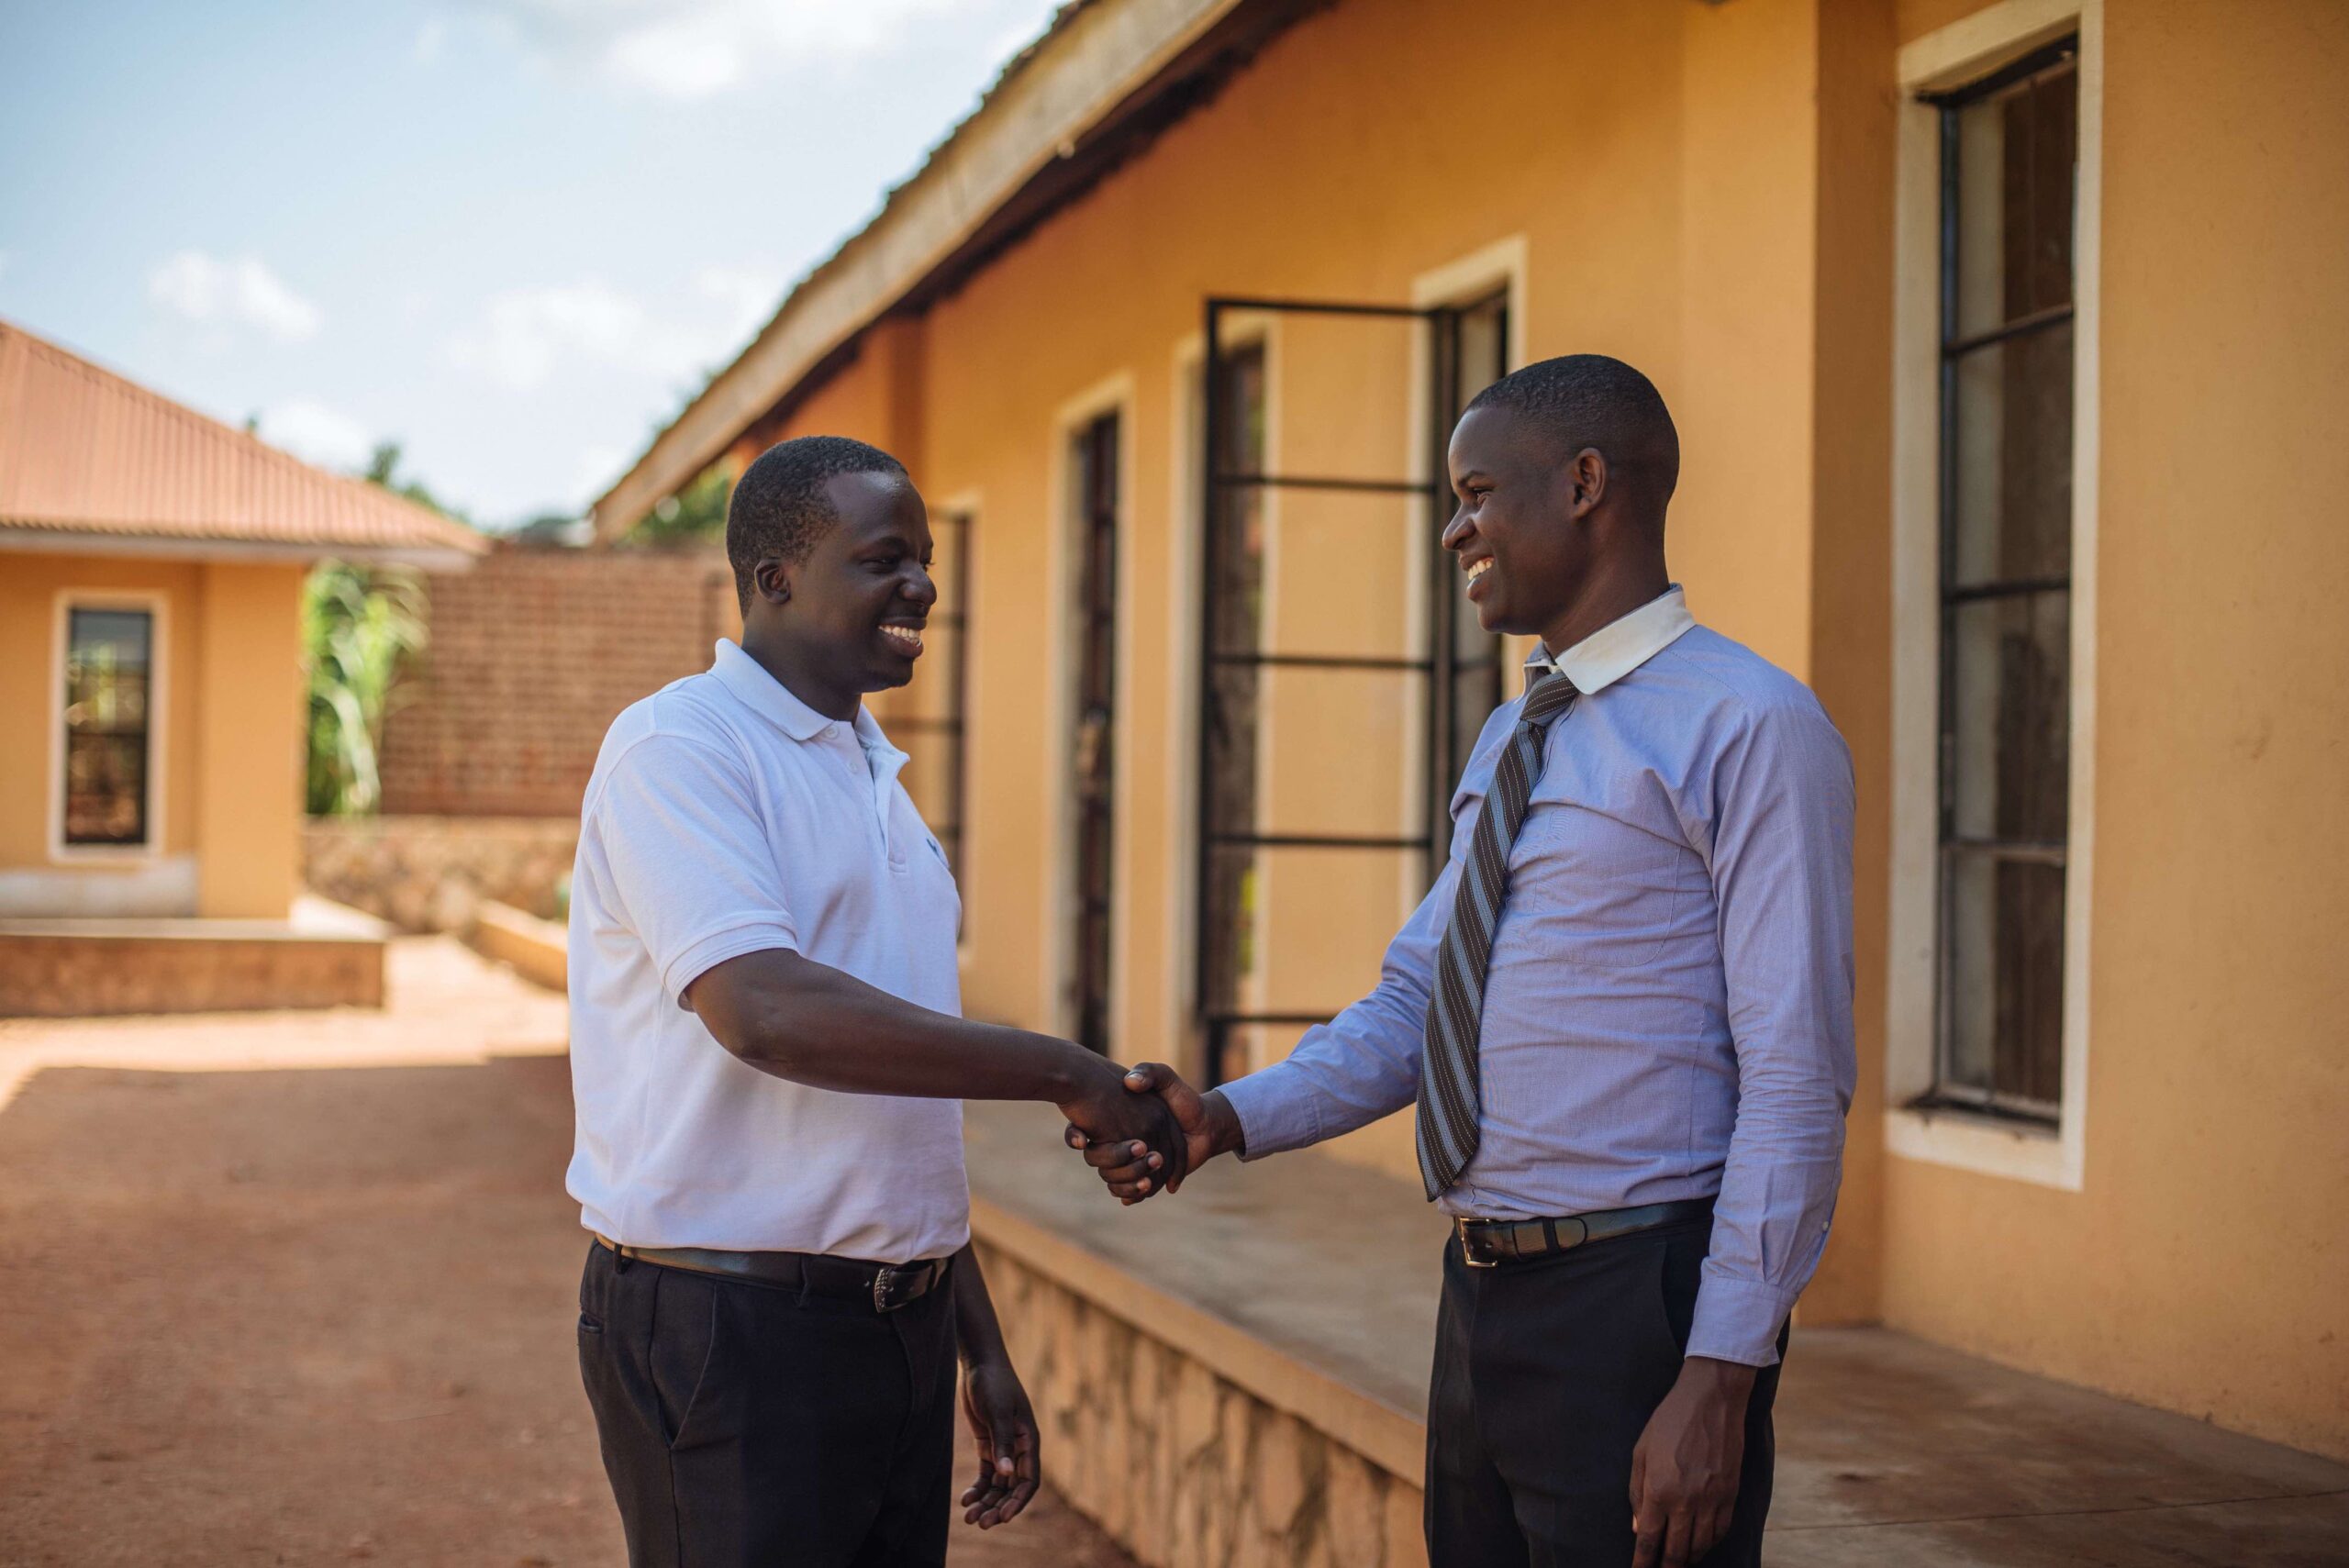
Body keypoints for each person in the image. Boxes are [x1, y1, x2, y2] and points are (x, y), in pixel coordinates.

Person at [1076, 357, 1854, 1568]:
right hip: (1482, 1294)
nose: (1455, 530)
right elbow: (1419, 1005)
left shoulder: (1749, 724)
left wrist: (1722, 1377)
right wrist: (1221, 1118)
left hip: (1639, 1302)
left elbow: (1798, 1078)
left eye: (1478, 490)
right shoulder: (1516, 731)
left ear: (1585, 483)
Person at [566, 434, 1185, 1568]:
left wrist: (973, 1339)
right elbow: (766, 1011)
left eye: (928, 560)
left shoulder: (875, 779)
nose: (923, 586)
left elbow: (896, 1096)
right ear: (775, 577)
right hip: (730, 1324)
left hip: (894, 1321)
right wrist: (1069, 1070)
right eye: (884, 558)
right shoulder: (680, 748)